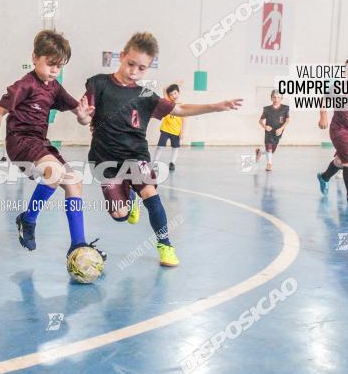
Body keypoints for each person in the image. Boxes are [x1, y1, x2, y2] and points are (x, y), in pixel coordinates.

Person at [80, 32, 241, 267]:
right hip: (104, 158)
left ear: (148, 68)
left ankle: (165, 245)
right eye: (131, 63)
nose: (134, 71)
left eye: (141, 68)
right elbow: (85, 116)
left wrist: (215, 107)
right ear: (122, 56)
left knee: (151, 194)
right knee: (120, 216)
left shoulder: (144, 95)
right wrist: (83, 118)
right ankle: (129, 198)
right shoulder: (98, 83)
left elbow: (179, 109)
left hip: (135, 155)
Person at [0, 29, 100, 258]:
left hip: (41, 144)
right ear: (35, 57)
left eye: (59, 66)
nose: (54, 70)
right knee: (53, 174)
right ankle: (28, 219)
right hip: (20, 141)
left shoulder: (54, 87)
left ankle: (78, 245)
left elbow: (80, 116)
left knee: (74, 183)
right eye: (50, 63)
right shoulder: (24, 85)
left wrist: (84, 116)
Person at [316, 54, 348, 204]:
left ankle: (324, 177)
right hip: (339, 129)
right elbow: (325, 98)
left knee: (340, 160)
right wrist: (323, 116)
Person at [255, 89, 290, 171]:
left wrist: (281, 129)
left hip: (278, 132)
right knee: (269, 147)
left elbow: (287, 120)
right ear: (271, 98)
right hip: (269, 132)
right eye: (274, 97)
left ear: (281, 98)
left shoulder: (285, 108)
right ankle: (269, 164)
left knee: (271, 150)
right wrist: (265, 126)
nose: (276, 99)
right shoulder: (267, 109)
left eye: (278, 97)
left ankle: (259, 152)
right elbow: (260, 121)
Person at [152, 83, 184, 171]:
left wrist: (182, 131)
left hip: (176, 131)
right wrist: (176, 83)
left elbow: (184, 120)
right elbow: (164, 88)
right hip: (165, 129)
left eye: (175, 93)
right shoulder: (168, 103)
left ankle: (172, 163)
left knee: (175, 148)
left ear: (179, 93)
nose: (173, 96)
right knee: (160, 147)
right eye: (171, 94)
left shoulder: (182, 105)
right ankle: (155, 162)